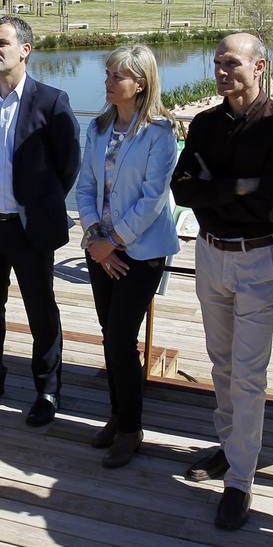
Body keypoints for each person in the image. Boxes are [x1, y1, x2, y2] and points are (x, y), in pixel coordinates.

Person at [170, 32, 273, 530]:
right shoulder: (205, 124)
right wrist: (240, 187)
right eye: (217, 64)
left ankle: (240, 481)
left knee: (248, 373)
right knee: (221, 364)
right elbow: (182, 190)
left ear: (259, 66)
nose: (222, 72)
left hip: (257, 258)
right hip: (210, 254)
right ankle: (230, 448)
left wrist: (215, 188)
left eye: (232, 64)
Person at [0, 16, 80, 427]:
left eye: (3, 43)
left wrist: (42, 203)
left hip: (29, 230)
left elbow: (69, 165)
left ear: (25, 50)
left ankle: (47, 390)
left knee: (40, 311)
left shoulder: (51, 100)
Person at [75, 45, 180, 468]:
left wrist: (114, 240)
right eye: (107, 74)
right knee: (110, 335)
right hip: (100, 247)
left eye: (116, 76)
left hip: (139, 252)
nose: (107, 82)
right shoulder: (97, 128)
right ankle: (117, 416)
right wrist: (93, 236)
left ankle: (132, 427)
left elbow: (155, 198)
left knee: (121, 337)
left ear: (140, 83)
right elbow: (85, 186)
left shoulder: (159, 132)